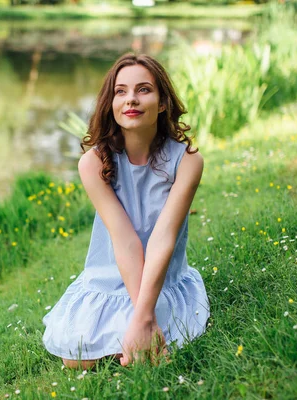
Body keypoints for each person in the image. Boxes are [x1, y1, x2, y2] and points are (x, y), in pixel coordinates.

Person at [42, 53, 210, 369]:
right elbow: (125, 241)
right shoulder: (93, 163)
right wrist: (142, 320)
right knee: (75, 360)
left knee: (147, 342)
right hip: (110, 276)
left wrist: (143, 316)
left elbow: (164, 238)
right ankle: (137, 328)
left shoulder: (187, 161)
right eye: (121, 91)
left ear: (162, 103)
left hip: (161, 278)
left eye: (144, 89)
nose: (131, 98)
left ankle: (143, 325)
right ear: (112, 103)